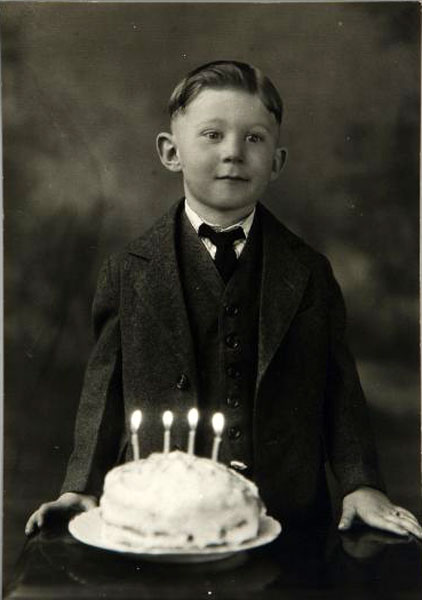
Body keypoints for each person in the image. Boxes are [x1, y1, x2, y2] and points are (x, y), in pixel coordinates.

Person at [25, 60, 422, 539]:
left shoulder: (309, 272)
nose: (234, 153)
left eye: (254, 138)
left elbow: (338, 387)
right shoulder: (129, 270)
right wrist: (80, 486)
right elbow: (104, 390)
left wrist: (361, 483)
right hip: (161, 522)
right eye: (212, 135)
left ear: (276, 162)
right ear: (171, 152)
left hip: (289, 517)